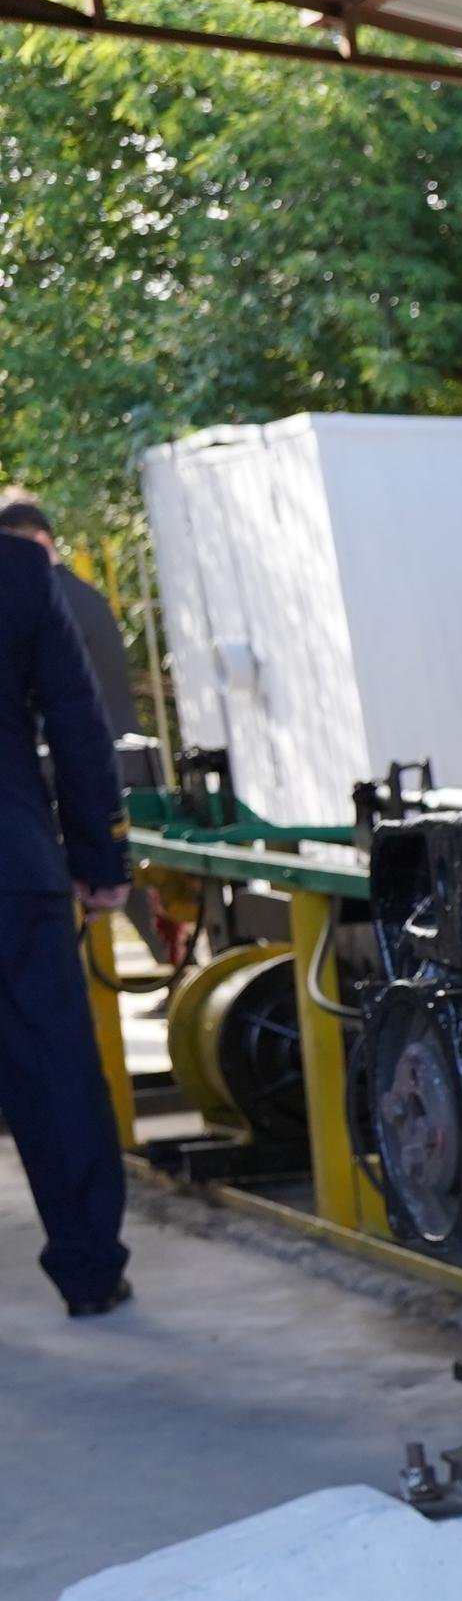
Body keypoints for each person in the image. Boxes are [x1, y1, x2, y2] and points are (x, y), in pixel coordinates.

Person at [0, 527, 134, 1317]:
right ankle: (88, 1273)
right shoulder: (18, 570)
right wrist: (100, 857)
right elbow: (77, 723)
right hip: (12, 868)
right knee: (52, 1070)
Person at [0, 490, 138, 733]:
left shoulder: (48, 602)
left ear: (41, 542)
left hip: (81, 744)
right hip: (117, 742)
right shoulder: (88, 595)